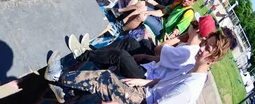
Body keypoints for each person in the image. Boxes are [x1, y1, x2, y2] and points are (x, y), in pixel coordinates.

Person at [45, 26, 231, 103]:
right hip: (145, 88)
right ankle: (66, 87)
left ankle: (58, 77)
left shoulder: (190, 87)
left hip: (142, 101)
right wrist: (144, 83)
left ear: (213, 59)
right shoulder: (192, 67)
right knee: (119, 62)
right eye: (206, 43)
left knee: (105, 78)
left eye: (209, 48)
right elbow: (161, 81)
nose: (203, 48)